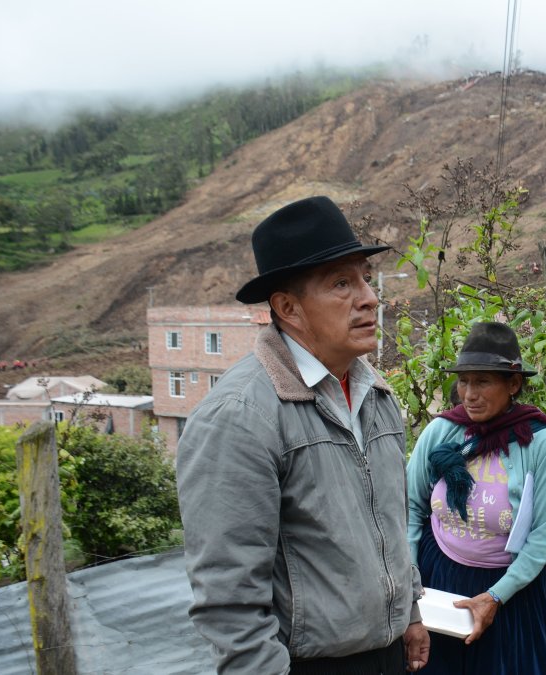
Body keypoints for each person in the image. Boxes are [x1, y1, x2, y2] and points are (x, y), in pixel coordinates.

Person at [177, 196, 429, 674]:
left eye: (365, 279)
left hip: (389, 654)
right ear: (288, 307)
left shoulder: (376, 395)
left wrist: (410, 611)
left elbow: (388, 524)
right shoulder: (239, 417)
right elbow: (228, 597)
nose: (369, 298)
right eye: (341, 283)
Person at [406, 322, 546, 674]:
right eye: (464, 381)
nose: (469, 394)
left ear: (513, 384)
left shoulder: (541, 442)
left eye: (482, 382)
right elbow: (410, 508)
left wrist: (497, 596)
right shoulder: (442, 431)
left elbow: (543, 535)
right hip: (440, 584)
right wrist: (410, 583)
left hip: (514, 592)